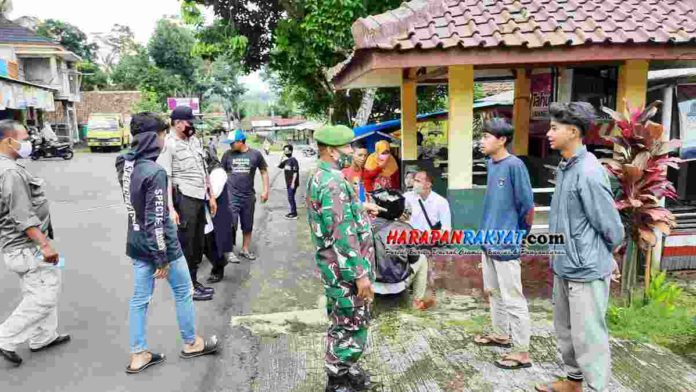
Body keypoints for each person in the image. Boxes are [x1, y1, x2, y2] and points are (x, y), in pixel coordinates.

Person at [115, 113, 219, 374]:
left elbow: (140, 212)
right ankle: (192, 343)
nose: (163, 140)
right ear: (152, 138)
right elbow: (155, 219)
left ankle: (138, 354)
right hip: (163, 246)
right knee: (183, 292)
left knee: (140, 300)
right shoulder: (155, 172)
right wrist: (161, 258)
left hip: (136, 242)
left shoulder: (124, 164)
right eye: (161, 135)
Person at [535, 103, 624, 392]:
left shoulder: (589, 172)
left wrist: (605, 257)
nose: (548, 133)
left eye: (554, 128)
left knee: (589, 336)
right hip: (563, 264)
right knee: (566, 331)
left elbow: (611, 227)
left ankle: (597, 387)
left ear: (573, 132)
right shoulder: (565, 167)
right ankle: (574, 383)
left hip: (585, 269)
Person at [306, 125, 383, 392]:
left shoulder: (323, 175)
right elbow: (342, 234)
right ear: (330, 150)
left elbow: (336, 212)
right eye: (347, 147)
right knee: (350, 322)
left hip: (336, 268)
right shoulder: (333, 182)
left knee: (344, 319)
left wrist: (361, 207)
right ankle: (338, 379)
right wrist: (360, 275)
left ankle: (344, 370)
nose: (351, 152)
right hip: (345, 271)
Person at [0, 120, 69, 366]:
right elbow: (22, 215)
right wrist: (44, 245)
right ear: (9, 140)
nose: (29, 142)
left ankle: (43, 336)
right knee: (44, 295)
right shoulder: (10, 172)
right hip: (27, 246)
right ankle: (5, 337)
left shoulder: (10, 167)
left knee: (45, 284)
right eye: (25, 137)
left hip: (23, 245)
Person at [473, 118, 535, 370]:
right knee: (494, 292)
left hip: (507, 242)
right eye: (482, 136)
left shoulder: (515, 166)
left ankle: (522, 352)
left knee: (513, 297)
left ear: (502, 140)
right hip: (488, 240)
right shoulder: (491, 164)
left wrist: (520, 235)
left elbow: (527, 207)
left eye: (487, 136)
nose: (482, 141)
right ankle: (501, 334)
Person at [156, 106, 217, 301]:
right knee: (187, 244)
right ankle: (188, 286)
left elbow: (203, 169)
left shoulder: (194, 140)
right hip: (185, 199)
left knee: (199, 242)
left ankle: (194, 282)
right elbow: (166, 177)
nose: (192, 125)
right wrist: (171, 208)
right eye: (189, 122)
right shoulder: (169, 144)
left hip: (200, 197)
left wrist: (211, 195)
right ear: (178, 123)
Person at [370, 189, 434, 310]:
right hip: (396, 285)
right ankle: (417, 301)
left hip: (370, 284)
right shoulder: (406, 229)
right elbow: (414, 258)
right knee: (422, 259)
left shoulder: (364, 225)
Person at [221, 129, 270, 261]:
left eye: (232, 143)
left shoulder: (255, 154)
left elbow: (264, 171)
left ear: (241, 141)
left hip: (248, 196)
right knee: (231, 223)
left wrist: (266, 190)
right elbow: (220, 174)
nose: (230, 145)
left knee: (247, 224)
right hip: (232, 195)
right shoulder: (227, 155)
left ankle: (245, 249)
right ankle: (229, 251)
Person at [203, 144, 237, 283]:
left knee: (216, 243)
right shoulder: (205, 171)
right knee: (206, 243)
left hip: (218, 212)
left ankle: (218, 268)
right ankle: (218, 264)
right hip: (207, 213)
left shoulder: (218, 171)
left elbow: (214, 193)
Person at [278, 144, 300, 219]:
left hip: (292, 183)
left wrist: (293, 183)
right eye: (285, 151)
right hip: (288, 183)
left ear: (291, 151)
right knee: (290, 197)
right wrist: (282, 156)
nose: (286, 152)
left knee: (290, 197)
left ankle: (294, 214)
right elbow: (279, 165)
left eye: (287, 150)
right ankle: (293, 212)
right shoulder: (286, 161)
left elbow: (295, 172)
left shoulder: (293, 160)